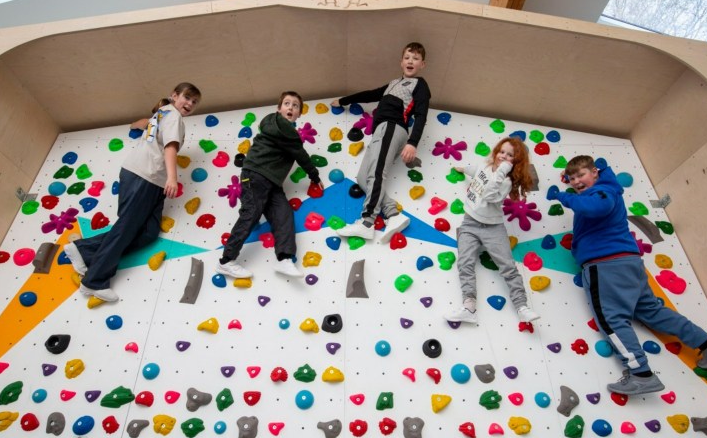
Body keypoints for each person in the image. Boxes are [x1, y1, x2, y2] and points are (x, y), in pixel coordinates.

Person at [548, 155, 707, 395]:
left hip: (605, 265)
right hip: (628, 263)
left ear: (595, 172)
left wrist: (563, 196)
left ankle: (640, 374)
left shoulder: (602, 193)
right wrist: (576, 183)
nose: (576, 181)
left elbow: (594, 207)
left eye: (581, 175)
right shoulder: (608, 188)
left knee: (611, 319)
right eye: (571, 179)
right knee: (652, 311)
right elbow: (591, 197)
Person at [63, 82, 201, 302]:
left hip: (149, 180)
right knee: (126, 228)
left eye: (194, 102)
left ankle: (83, 250)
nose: (190, 104)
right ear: (174, 96)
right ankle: (93, 281)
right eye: (187, 97)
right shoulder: (173, 116)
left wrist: (135, 126)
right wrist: (173, 178)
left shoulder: (162, 113)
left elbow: (141, 123)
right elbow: (170, 147)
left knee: (148, 232)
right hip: (144, 176)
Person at [332, 42, 431, 244]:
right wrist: (344, 101)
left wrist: (412, 143)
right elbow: (370, 94)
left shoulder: (419, 85)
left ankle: (367, 222)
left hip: (393, 128)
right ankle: (393, 215)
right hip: (381, 131)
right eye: (407, 57)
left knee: (377, 173)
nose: (410, 61)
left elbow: (421, 115)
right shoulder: (393, 83)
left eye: (415, 58)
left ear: (423, 64)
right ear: (401, 61)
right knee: (363, 178)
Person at [216, 91, 321, 279]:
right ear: (279, 109)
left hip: (271, 181)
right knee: (251, 214)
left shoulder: (283, 131)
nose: (290, 107)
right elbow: (301, 155)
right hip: (256, 175)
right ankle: (226, 261)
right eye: (287, 103)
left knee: (283, 214)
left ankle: (285, 259)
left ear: (299, 114)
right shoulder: (283, 128)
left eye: (295, 105)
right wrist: (314, 175)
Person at [444, 137, 540, 325]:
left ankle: (522, 307)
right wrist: (464, 169)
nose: (503, 156)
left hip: (493, 227)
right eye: (502, 151)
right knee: (465, 263)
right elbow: (477, 172)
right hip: (469, 223)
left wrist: (504, 170)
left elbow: (488, 194)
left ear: (515, 161)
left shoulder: (505, 181)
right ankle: (469, 307)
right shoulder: (485, 166)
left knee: (508, 267)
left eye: (510, 155)